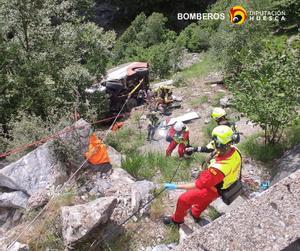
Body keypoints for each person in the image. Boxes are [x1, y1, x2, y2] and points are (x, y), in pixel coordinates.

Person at [163, 125, 242, 225]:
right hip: (222, 186)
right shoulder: (233, 149)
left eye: (214, 140)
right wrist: (194, 149)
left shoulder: (219, 168)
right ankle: (195, 214)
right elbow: (209, 147)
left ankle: (177, 220)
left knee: (183, 199)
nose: (213, 142)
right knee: (204, 201)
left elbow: (198, 184)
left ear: (219, 144)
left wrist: (176, 186)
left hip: (212, 188)